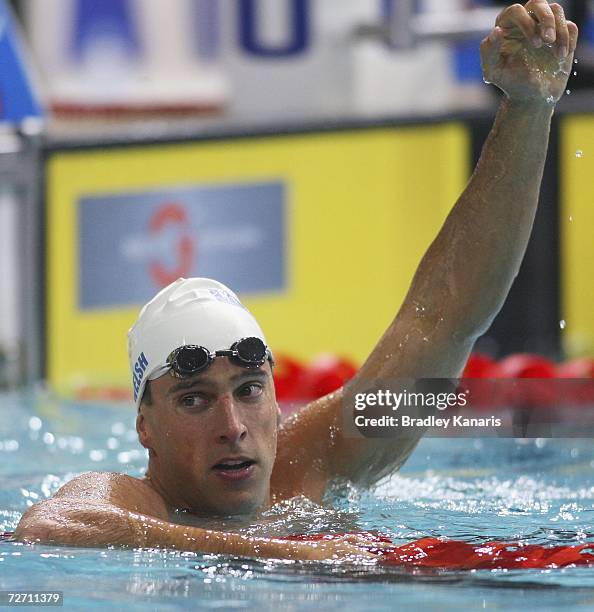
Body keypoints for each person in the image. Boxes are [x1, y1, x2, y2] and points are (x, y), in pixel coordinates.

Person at [15, 0, 578, 562]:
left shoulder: (322, 456)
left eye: (249, 389)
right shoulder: (133, 499)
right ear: (145, 426)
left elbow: (445, 320)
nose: (232, 426)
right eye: (194, 400)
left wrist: (528, 108)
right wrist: (275, 554)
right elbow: (51, 525)